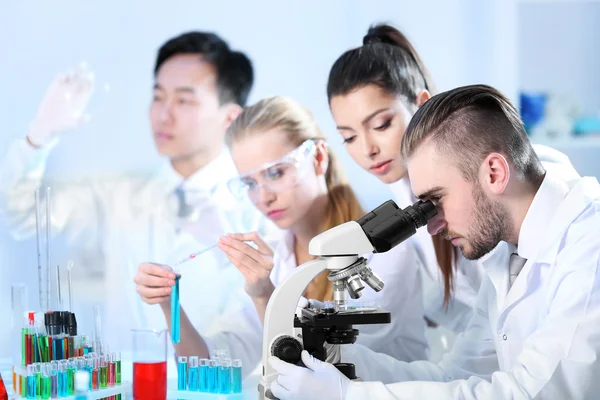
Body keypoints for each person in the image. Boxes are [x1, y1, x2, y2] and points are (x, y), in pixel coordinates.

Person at [268, 84, 600, 399]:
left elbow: (535, 394)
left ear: (494, 174)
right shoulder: (507, 254)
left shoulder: (589, 245)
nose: (433, 226)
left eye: (435, 200)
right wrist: (339, 357)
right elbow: (457, 376)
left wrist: (349, 396)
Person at [0, 31, 271, 348]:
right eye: (158, 97)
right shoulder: (121, 196)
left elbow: (248, 342)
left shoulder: (259, 211)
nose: (162, 114)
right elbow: (21, 215)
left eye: (184, 100)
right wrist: (39, 136)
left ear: (230, 117)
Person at [133, 96, 429, 374]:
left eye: (276, 174)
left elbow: (330, 368)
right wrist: (169, 303)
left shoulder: (384, 252)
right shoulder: (276, 258)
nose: (263, 197)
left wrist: (266, 296)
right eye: (249, 183)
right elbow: (206, 366)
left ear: (318, 158)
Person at [326, 23, 579, 337]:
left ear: (419, 103)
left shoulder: (505, 177)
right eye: (349, 138)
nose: (368, 150)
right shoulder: (401, 203)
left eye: (381, 124)